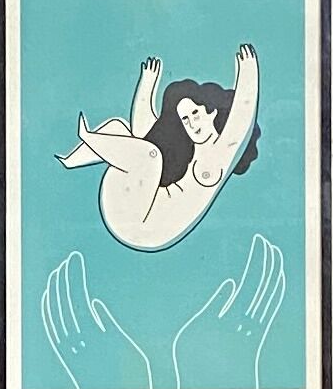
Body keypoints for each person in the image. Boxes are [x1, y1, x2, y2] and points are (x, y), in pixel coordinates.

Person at [60, 45, 260, 252]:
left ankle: (87, 137)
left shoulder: (221, 154)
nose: (191, 123)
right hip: (130, 211)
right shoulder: (186, 152)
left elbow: (242, 119)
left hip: (142, 226)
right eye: (184, 119)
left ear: (212, 112)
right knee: (120, 129)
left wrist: (248, 72)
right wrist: (147, 85)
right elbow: (144, 136)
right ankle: (71, 160)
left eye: (195, 114)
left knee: (149, 156)